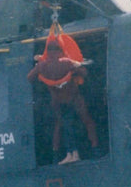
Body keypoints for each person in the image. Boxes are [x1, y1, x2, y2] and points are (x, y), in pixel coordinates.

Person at [27, 37, 98, 165]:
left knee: (62, 126)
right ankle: (95, 149)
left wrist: (42, 73)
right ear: (60, 50)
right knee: (87, 121)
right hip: (74, 99)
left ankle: (63, 155)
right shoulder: (66, 62)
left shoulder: (42, 66)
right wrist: (75, 67)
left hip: (59, 102)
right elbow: (84, 73)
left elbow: (30, 78)